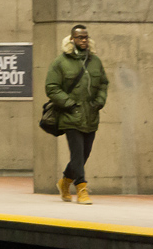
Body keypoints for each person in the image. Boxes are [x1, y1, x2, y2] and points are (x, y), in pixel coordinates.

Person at [45, 25, 108, 205]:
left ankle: (64, 182)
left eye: (86, 37)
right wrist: (69, 104)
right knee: (77, 153)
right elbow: (51, 88)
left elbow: (103, 83)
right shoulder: (60, 62)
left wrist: (100, 101)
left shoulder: (95, 61)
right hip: (70, 116)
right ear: (72, 39)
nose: (84, 41)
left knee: (84, 154)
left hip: (91, 116)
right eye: (80, 38)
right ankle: (81, 189)